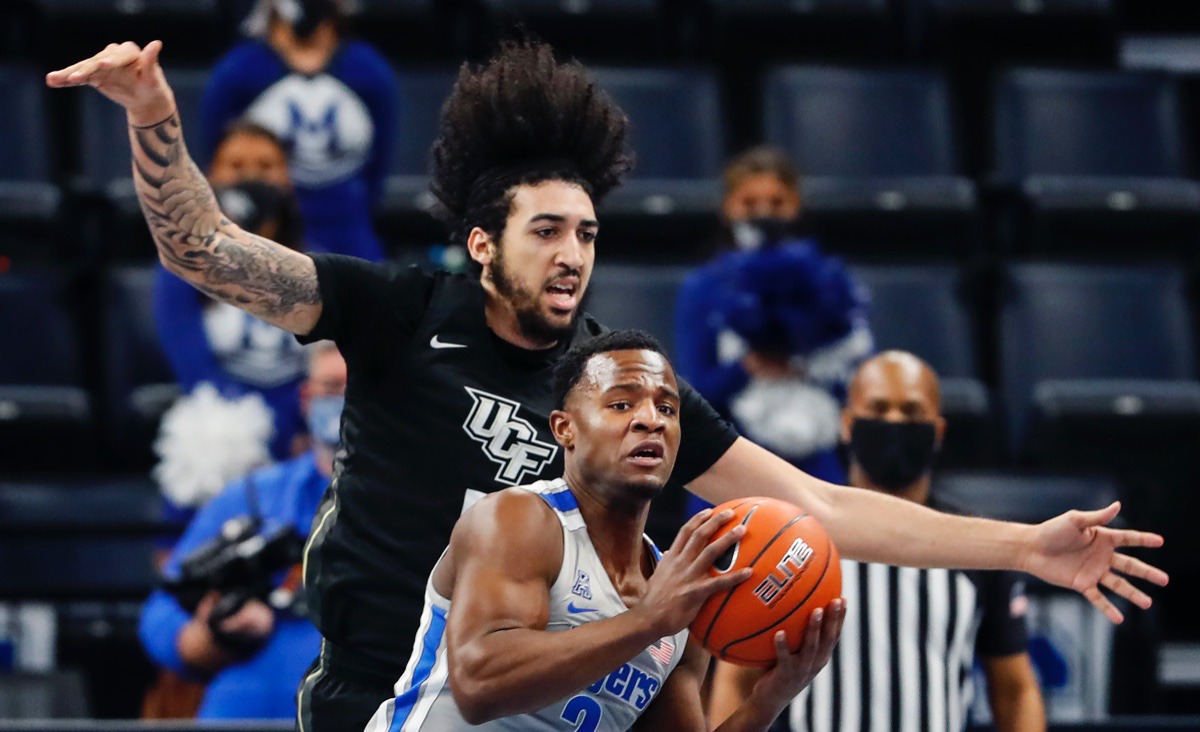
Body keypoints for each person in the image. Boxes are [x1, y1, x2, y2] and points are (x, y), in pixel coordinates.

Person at [48, 39, 1166, 732]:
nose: (574, 252)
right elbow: (203, 250)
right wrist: (153, 111)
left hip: (555, 708)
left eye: (587, 231)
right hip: (389, 704)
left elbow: (815, 508)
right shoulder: (400, 313)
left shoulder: (624, 391)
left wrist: (1022, 548)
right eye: (547, 230)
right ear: (482, 244)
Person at [365, 330, 846, 731]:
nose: (649, 421)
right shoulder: (520, 519)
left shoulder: (678, 590)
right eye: (620, 404)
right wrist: (646, 622)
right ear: (564, 428)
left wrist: (770, 698)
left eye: (667, 409)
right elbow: (479, 685)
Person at [708, 351, 1046, 732]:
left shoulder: (977, 544)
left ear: (937, 432)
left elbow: (1015, 690)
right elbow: (736, 680)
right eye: (880, 408)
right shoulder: (794, 541)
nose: (894, 422)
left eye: (911, 411)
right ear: (847, 423)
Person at [138, 342, 346, 719]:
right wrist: (212, 634)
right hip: (241, 716)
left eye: (356, 390)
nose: (344, 402)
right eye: (331, 388)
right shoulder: (250, 495)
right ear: (306, 398)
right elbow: (161, 612)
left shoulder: (413, 503)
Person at [676, 146, 871, 513]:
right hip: (729, 462)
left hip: (816, 465)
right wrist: (748, 366)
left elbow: (857, 383)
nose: (764, 214)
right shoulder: (703, 287)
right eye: (749, 203)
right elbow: (694, 392)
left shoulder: (830, 282)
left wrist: (807, 363)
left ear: (795, 205)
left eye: (777, 202)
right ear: (727, 207)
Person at [154, 122, 310, 460]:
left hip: (307, 434)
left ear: (288, 178)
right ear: (210, 177)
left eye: (266, 166)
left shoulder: (318, 263)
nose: (251, 177)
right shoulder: (180, 266)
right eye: (236, 166)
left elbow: (333, 361)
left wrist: (305, 427)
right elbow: (194, 370)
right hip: (223, 438)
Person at [201, 0, 397, 262]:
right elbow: (213, 160)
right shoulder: (239, 72)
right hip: (260, 232)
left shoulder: (368, 71)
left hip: (347, 229)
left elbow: (379, 164)